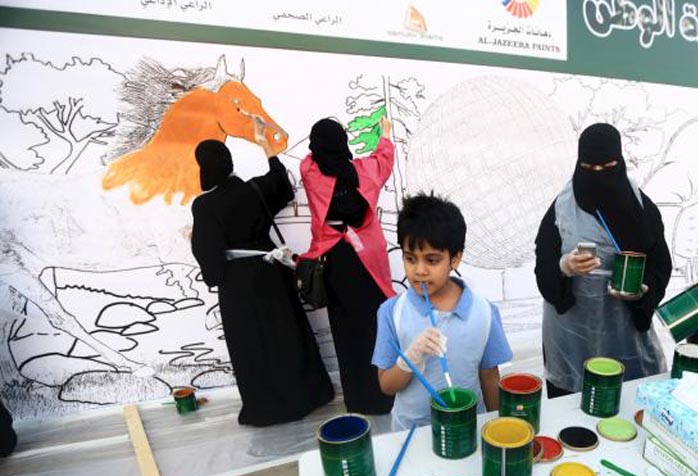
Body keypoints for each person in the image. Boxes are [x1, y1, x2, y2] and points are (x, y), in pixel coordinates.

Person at [191, 120, 334, 426]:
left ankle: (268, 408)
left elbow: (210, 260)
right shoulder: (255, 189)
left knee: (254, 344)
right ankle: (308, 396)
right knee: (287, 334)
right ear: (229, 162)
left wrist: (205, 257)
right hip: (272, 273)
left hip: (238, 285)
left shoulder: (204, 206)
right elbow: (282, 182)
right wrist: (264, 143)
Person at [535, 123, 672, 398]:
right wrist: (564, 268)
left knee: (626, 402)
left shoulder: (641, 210)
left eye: (607, 167)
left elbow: (660, 265)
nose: (599, 176)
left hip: (624, 333)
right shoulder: (562, 209)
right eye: (590, 168)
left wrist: (644, 290)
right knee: (571, 409)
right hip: (571, 335)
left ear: (619, 162)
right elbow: (543, 265)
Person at [372, 193, 513, 431]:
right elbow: (386, 386)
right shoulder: (391, 312)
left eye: (432, 260)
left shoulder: (483, 312)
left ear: (455, 259)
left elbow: (489, 376)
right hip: (411, 432)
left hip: (468, 428)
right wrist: (410, 359)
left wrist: (496, 426)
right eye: (410, 258)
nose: (419, 270)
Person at [299, 116, 396, 415]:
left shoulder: (312, 174)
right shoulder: (365, 172)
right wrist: (385, 133)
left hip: (336, 263)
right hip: (368, 260)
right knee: (376, 327)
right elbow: (384, 159)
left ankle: (357, 399)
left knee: (346, 333)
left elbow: (310, 158)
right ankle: (385, 395)